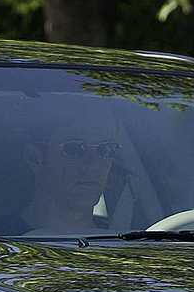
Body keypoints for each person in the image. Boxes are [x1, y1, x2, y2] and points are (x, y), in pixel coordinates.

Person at [12, 98, 123, 235]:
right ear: (35, 158)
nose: (93, 164)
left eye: (106, 149)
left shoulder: (132, 241)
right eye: (75, 148)